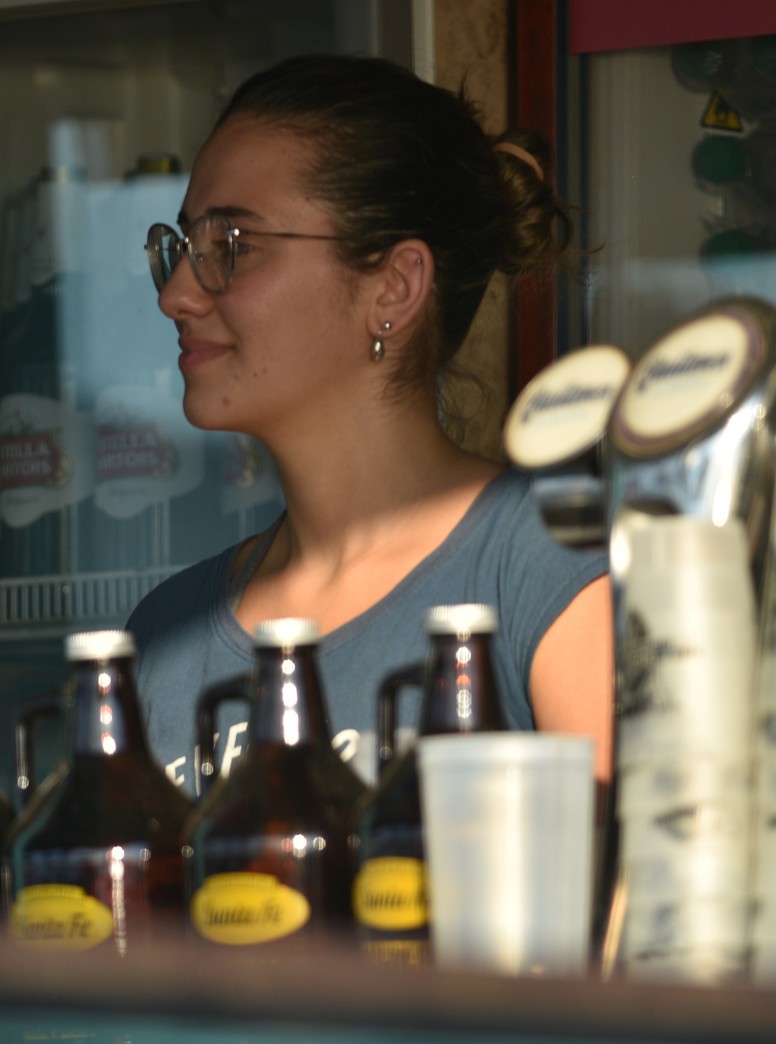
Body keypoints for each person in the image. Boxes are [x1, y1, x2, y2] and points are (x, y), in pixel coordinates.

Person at [126, 53, 613, 791]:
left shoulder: (552, 560)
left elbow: (635, 896)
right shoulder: (166, 634)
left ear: (394, 284)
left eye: (232, 247)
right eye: (182, 247)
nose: (179, 295)